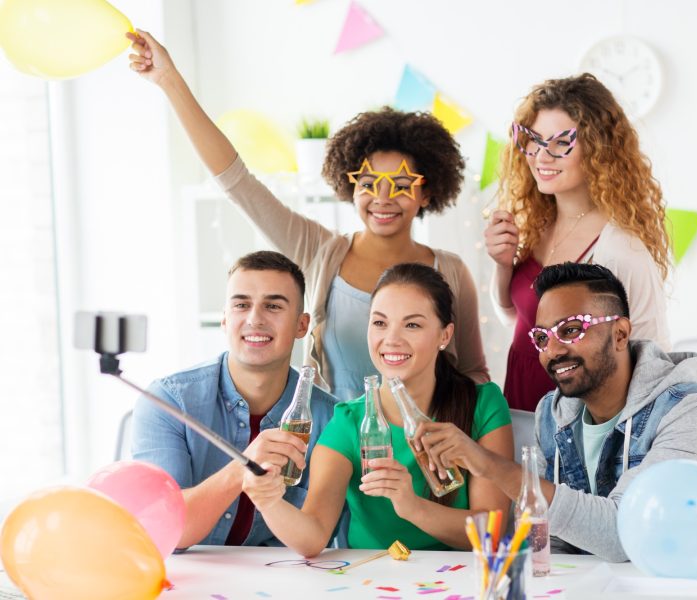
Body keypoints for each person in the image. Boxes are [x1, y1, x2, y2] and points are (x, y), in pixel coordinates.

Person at [127, 30, 489, 402]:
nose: (383, 198)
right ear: (350, 185)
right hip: (334, 445)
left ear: (426, 191)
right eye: (368, 183)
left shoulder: (451, 272)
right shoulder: (320, 251)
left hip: (425, 451)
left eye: (400, 184)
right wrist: (169, 81)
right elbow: (237, 182)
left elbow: (473, 375)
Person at [413, 263, 697, 560]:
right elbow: (548, 542)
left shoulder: (687, 410)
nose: (553, 350)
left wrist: (489, 465)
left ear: (620, 333)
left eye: (571, 330)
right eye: (542, 338)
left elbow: (628, 535)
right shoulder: (552, 413)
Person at [240, 263, 513, 555]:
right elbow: (313, 536)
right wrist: (268, 501)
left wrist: (413, 507)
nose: (391, 339)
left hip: (460, 583)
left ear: (444, 336)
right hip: (371, 584)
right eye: (380, 323)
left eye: (412, 325)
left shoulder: (482, 404)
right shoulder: (348, 422)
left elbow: (491, 531)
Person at [484, 73, 670, 412]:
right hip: (520, 405)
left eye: (560, 143)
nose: (541, 157)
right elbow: (520, 320)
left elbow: (652, 361)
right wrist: (502, 266)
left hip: (577, 420)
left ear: (598, 150)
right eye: (532, 140)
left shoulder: (620, 248)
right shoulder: (534, 223)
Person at [131, 251, 338, 548]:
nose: (255, 319)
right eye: (242, 305)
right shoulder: (167, 402)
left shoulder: (330, 418)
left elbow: (317, 539)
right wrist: (242, 468)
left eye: (273, 306)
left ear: (301, 326)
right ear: (225, 319)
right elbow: (168, 532)